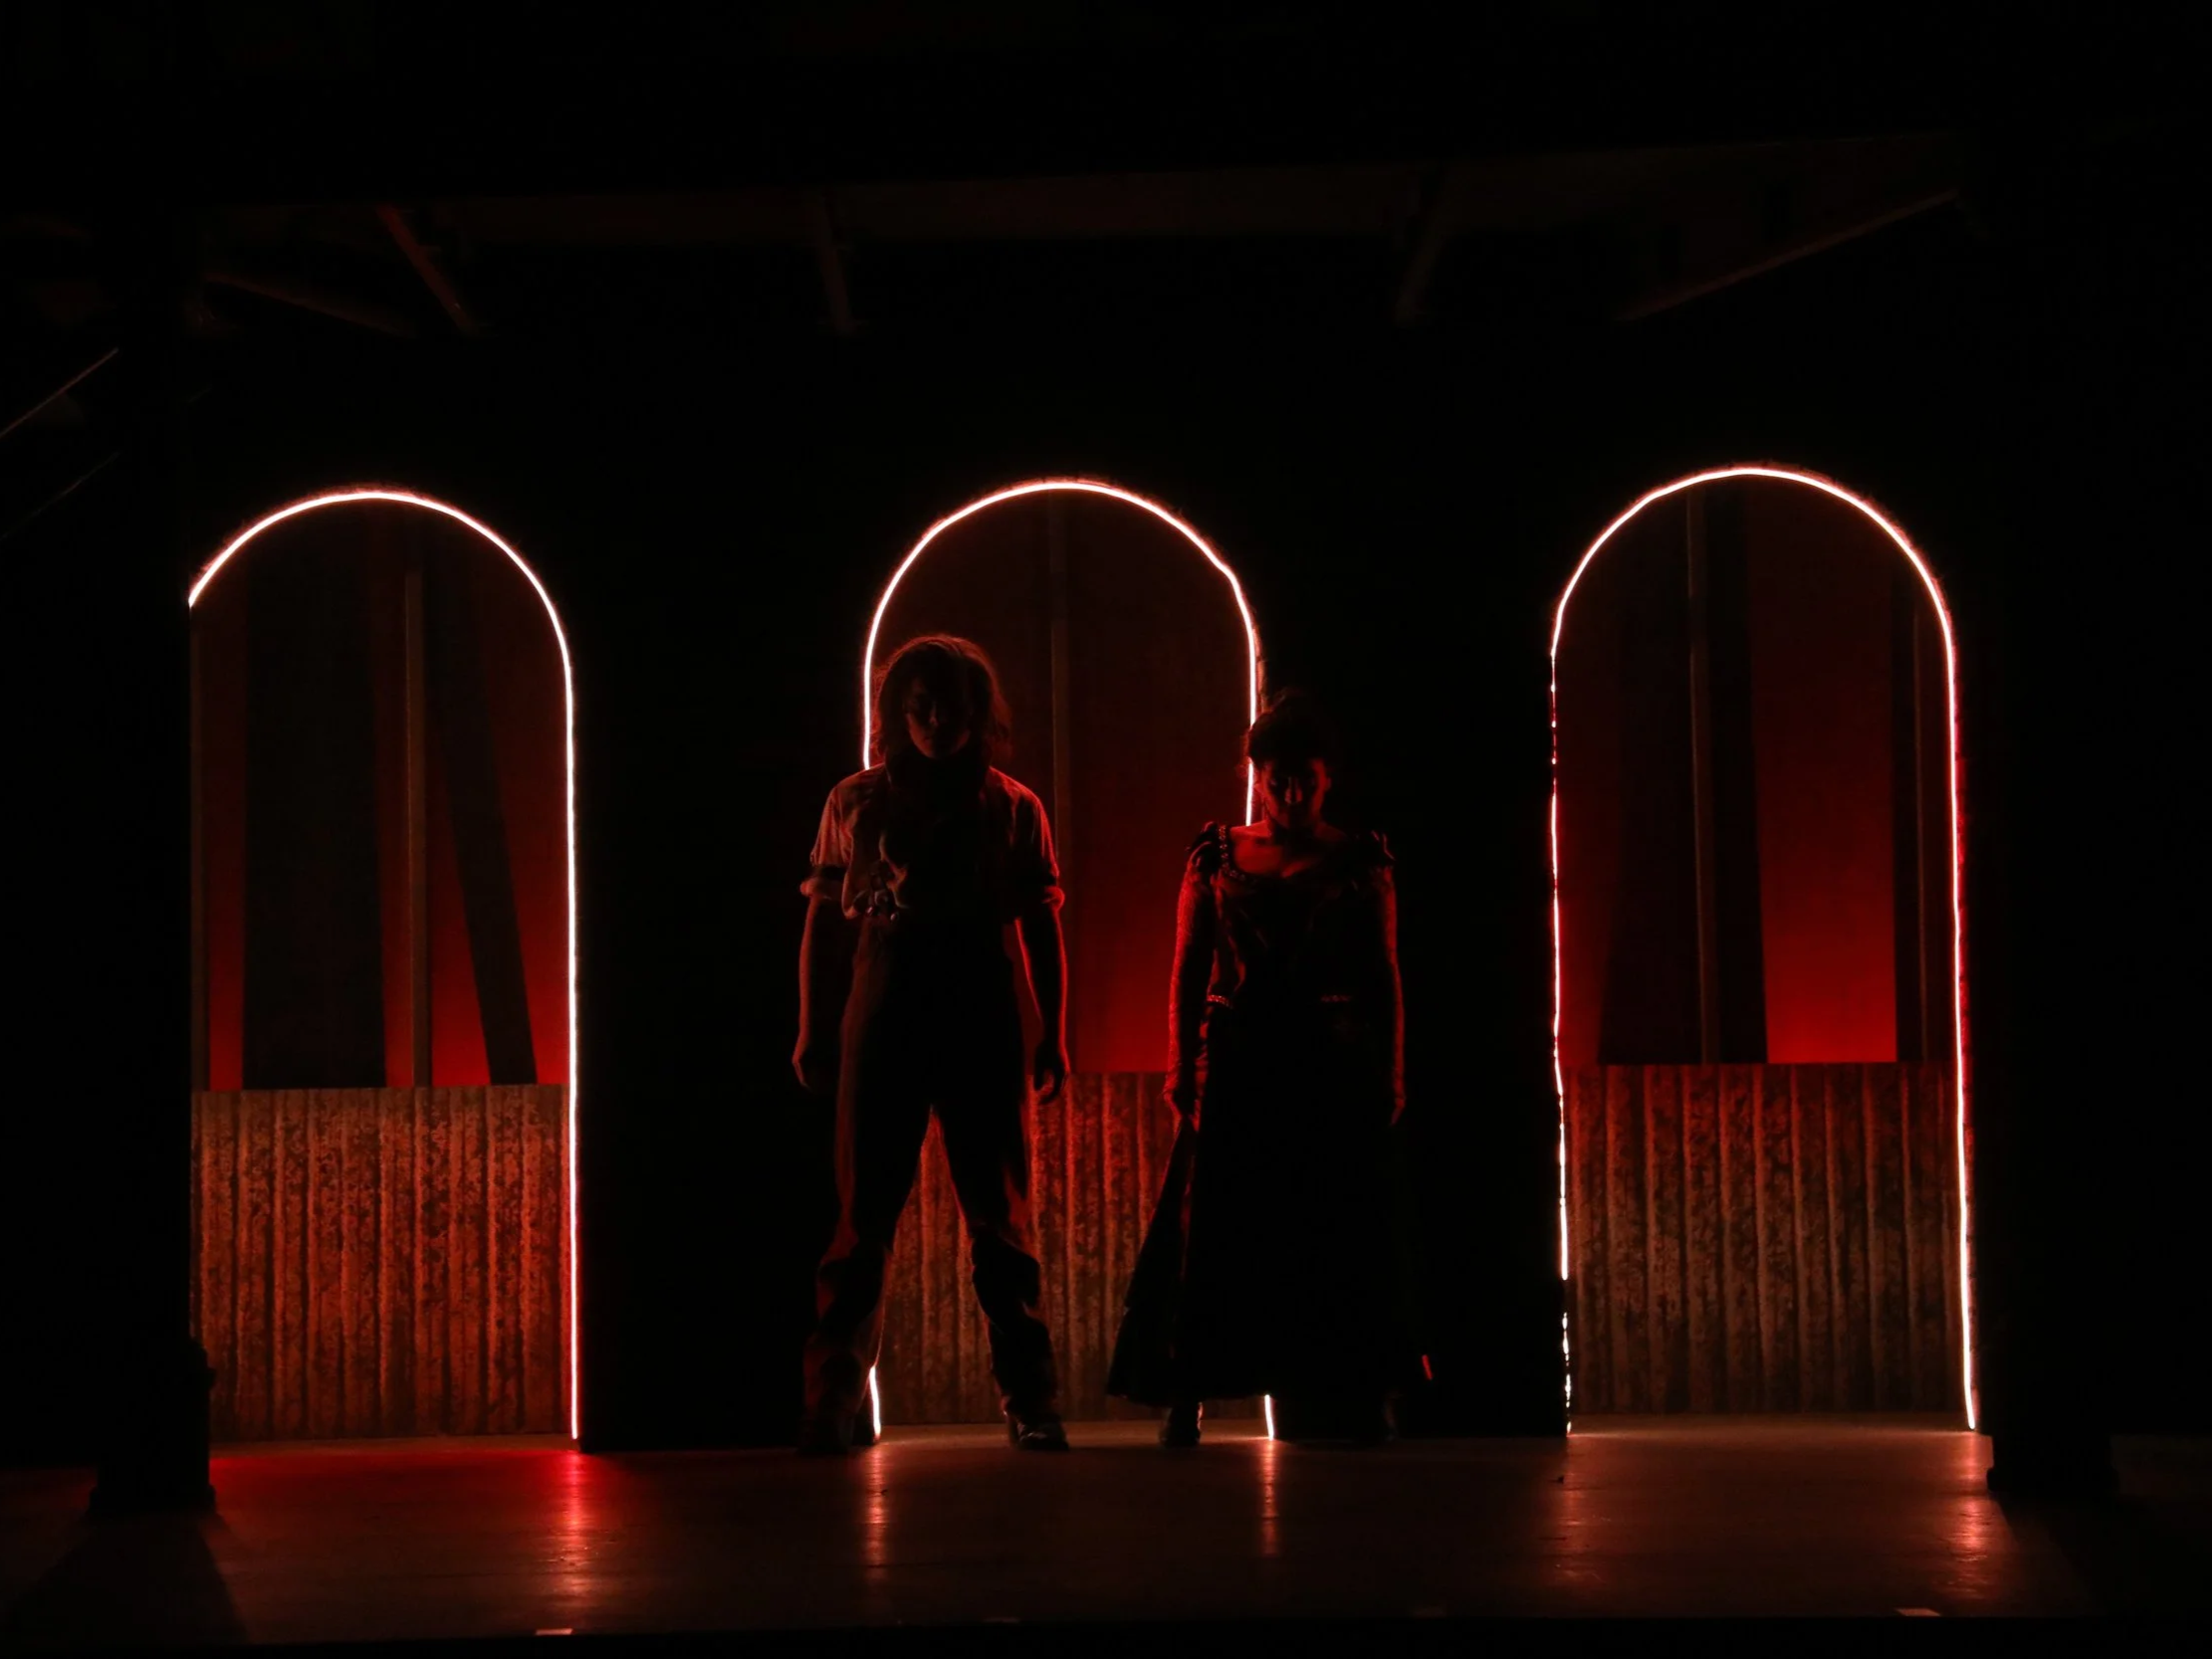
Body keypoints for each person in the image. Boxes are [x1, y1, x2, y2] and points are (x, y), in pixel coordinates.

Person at [1107, 690, 1418, 1446]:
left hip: (1326, 1057)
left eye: (1302, 778)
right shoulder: (1219, 857)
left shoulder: (1357, 858)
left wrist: (1391, 1069)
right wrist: (1182, 1067)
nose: (1288, 794)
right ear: (1257, 776)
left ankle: (1366, 1390)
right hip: (1241, 1059)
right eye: (1275, 779)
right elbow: (1187, 970)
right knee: (1212, 1230)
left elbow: (1384, 974)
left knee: (1338, 1225)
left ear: (1326, 776)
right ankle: (1188, 1396)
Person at [793, 634, 1071, 1454]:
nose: (936, 718)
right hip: (884, 1011)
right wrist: (814, 1024)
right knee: (862, 1219)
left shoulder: (1011, 806)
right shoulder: (857, 802)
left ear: (978, 711)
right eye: (920, 705)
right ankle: (835, 1398)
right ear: (897, 711)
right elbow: (820, 921)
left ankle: (1031, 1398)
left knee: (1001, 1221)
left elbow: (1040, 927)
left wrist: (1053, 1029)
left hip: (979, 1012)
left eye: (949, 704)